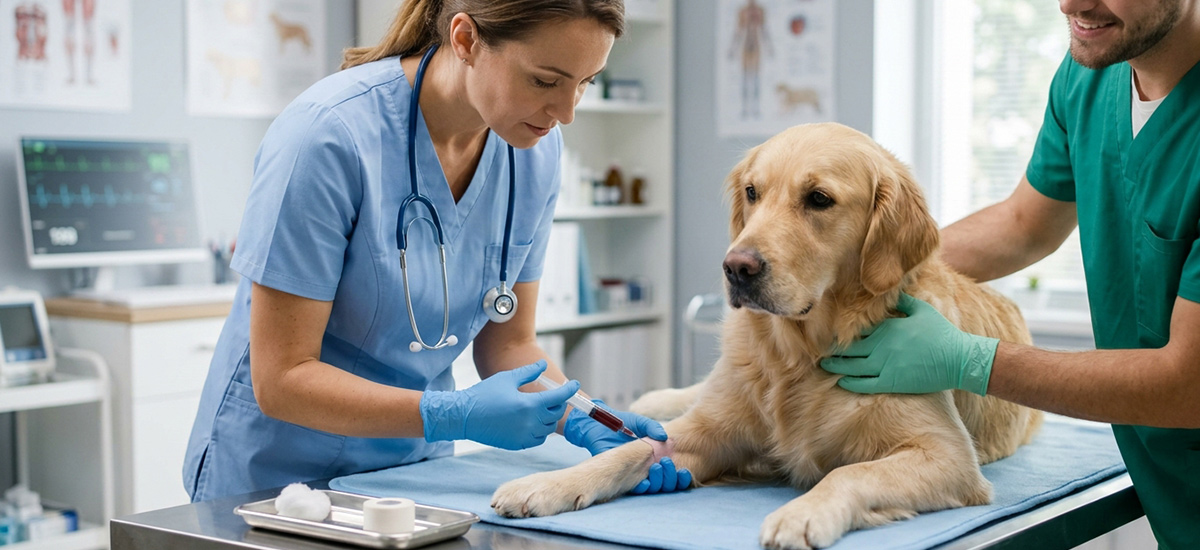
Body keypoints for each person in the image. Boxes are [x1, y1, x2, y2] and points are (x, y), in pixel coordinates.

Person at [183, 0, 687, 503]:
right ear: (465, 39)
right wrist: (452, 414)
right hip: (275, 480)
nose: (567, 112)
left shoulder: (534, 151)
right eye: (544, 81)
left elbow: (508, 344)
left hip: (409, 477)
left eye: (586, 82)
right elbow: (282, 378)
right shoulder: (327, 135)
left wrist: (584, 415)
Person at [821, 1, 1200, 547]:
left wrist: (971, 359)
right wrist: (876, 268)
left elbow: (1187, 384)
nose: (1072, 4)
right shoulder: (1091, 74)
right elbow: (1023, 225)